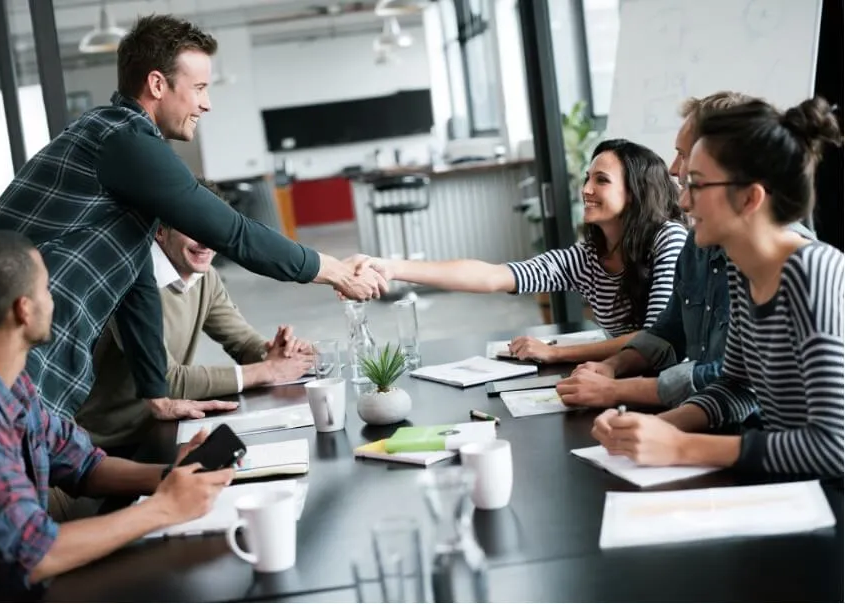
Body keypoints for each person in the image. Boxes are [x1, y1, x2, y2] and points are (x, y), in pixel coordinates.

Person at [0, 14, 385, 423]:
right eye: (199, 88)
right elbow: (233, 232)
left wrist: (157, 393)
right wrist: (336, 271)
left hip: (14, 349)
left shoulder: (118, 141)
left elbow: (134, 282)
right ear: (157, 84)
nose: (206, 104)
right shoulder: (122, 140)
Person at [0, 232, 235, 600]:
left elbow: (82, 464)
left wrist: (169, 477)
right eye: (46, 289)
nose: (54, 300)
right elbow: (29, 552)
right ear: (24, 310)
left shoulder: (0, 374)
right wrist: (164, 508)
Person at [592, 96, 844, 478]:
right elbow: (736, 386)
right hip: (795, 489)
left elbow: (834, 447)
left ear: (749, 198)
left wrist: (681, 446)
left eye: (696, 184)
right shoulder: (744, 271)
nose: (682, 200)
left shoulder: (813, 273)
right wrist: (661, 427)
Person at [356, 139, 688, 364]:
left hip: (675, 389)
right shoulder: (588, 257)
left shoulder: (668, 239)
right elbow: (493, 276)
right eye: (587, 178)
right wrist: (391, 267)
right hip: (625, 381)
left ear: (635, 192)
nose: (586, 189)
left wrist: (555, 353)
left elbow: (652, 338)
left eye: (601, 180)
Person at [78, 182, 314, 456]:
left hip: (170, 426)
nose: (205, 240)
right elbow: (166, 380)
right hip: (110, 445)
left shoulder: (205, 277)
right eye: (191, 227)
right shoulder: (131, 282)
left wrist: (273, 353)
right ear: (160, 230)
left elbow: (241, 340)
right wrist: (267, 371)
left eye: (211, 227)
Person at [555, 92, 751, 407]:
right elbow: (668, 330)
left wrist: (616, 391)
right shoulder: (697, 246)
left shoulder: (781, 264)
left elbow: (735, 382)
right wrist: (612, 367)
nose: (673, 170)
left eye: (683, 155)